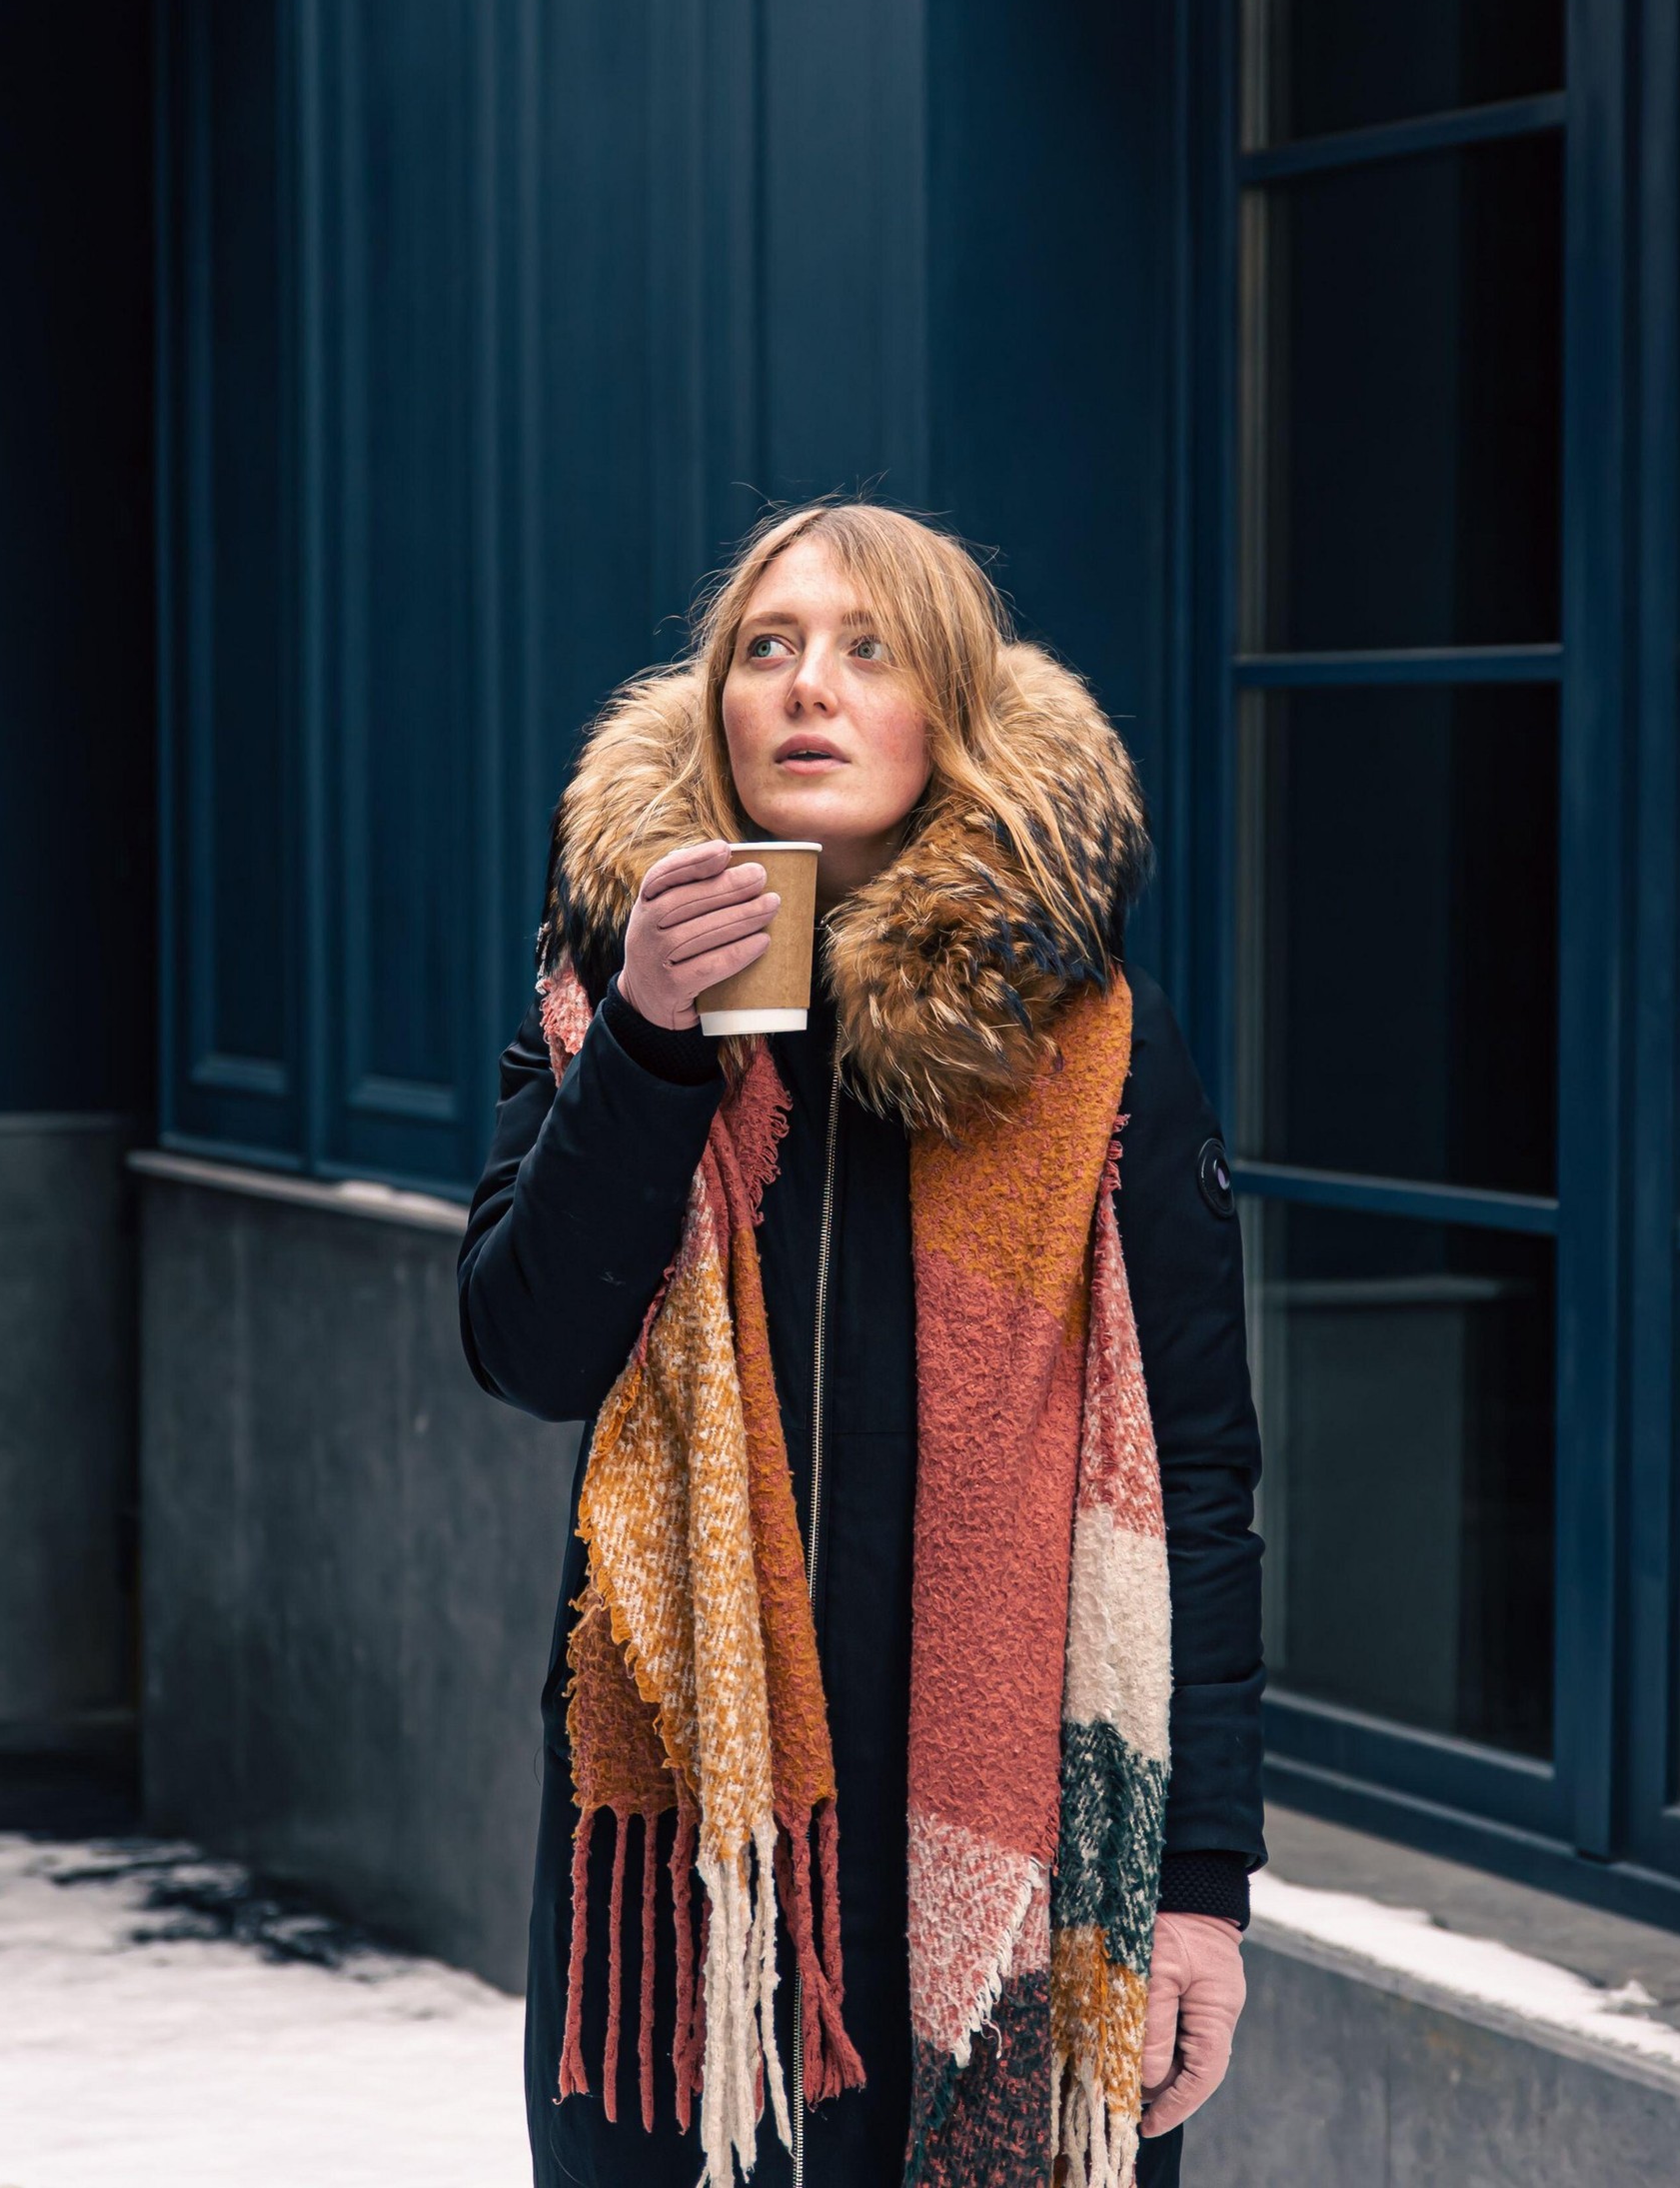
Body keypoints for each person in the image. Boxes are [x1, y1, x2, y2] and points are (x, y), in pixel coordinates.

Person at [460, 502, 1266, 2188]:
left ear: (951, 714)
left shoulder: (1092, 1041)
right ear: (716, 707)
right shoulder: (609, 988)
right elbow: (526, 1346)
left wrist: (1198, 1881)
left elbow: (1191, 1476)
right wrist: (650, 1046)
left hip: (1007, 1834)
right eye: (767, 647)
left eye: (865, 647)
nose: (806, 684)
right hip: (696, 1854)